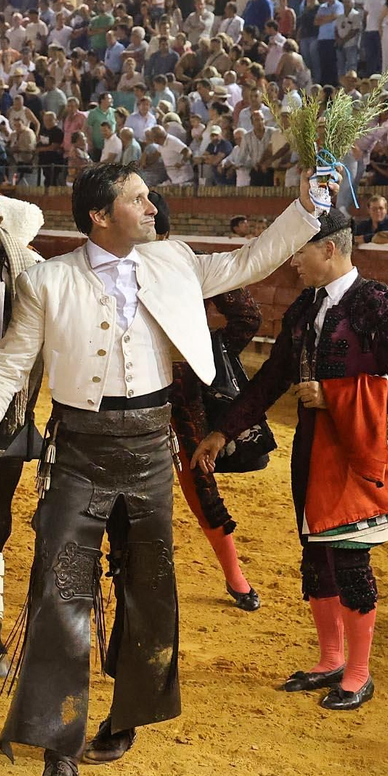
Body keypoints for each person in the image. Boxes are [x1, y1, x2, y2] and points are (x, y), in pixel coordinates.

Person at [0, 161, 322, 776]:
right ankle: (58, 752)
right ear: (100, 216)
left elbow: (249, 262)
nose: (153, 208)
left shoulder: (172, 260)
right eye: (139, 199)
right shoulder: (48, 280)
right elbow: (8, 363)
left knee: (148, 590)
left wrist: (306, 209)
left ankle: (125, 718)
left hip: (151, 449)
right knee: (60, 594)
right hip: (79, 451)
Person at [194, 207, 388, 712]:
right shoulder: (306, 307)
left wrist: (333, 395)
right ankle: (331, 659)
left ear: (329, 248)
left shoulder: (381, 306)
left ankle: (359, 674)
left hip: (355, 450)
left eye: (298, 251)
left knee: (350, 558)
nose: (292, 261)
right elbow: (274, 377)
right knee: (315, 552)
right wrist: (222, 431)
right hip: (311, 447)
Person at [149, 192, 260, 611]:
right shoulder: (187, 264)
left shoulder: (109, 264)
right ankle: (235, 578)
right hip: (174, 390)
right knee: (198, 481)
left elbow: (247, 316)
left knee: (197, 480)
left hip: (163, 391)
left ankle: (235, 576)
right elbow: (247, 316)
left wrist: (207, 356)